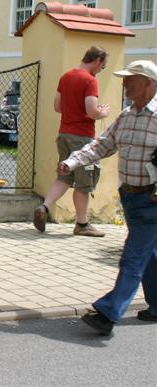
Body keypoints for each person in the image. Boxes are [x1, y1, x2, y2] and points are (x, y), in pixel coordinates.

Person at [57, 60, 157, 336]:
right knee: (148, 254)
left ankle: (108, 312)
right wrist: (72, 162)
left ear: (149, 83)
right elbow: (102, 145)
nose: (125, 84)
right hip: (131, 197)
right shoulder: (126, 116)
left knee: (133, 257)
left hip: (153, 200)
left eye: (131, 79)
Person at [34, 46, 110, 236]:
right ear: (98, 60)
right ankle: (82, 225)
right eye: (103, 66)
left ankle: (44, 206)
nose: (101, 70)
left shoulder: (66, 77)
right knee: (84, 183)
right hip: (83, 137)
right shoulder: (90, 80)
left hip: (64, 134)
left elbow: (57, 106)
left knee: (65, 177)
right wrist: (103, 112)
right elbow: (91, 110)